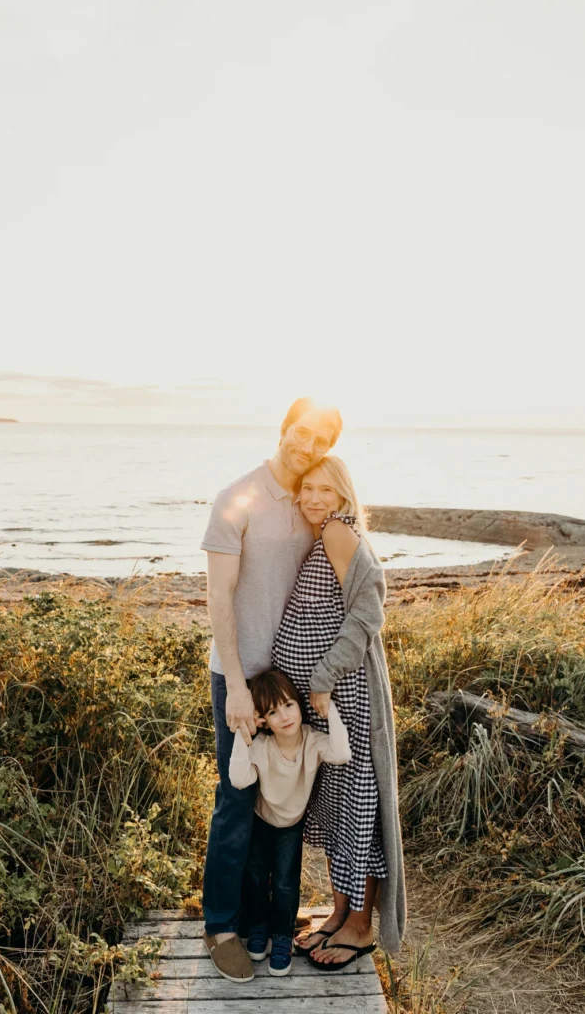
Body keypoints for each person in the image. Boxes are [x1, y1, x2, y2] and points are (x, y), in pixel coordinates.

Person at [200, 398, 343, 983]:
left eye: (318, 440)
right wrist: (235, 685)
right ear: (285, 429)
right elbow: (217, 597)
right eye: (300, 432)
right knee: (236, 801)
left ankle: (264, 920)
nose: (304, 445)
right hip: (242, 680)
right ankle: (222, 926)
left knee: (278, 806)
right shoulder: (236, 498)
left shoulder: (313, 505)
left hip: (290, 682)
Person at [272, 455, 407, 969]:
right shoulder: (326, 534)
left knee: (358, 811)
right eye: (307, 488)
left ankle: (359, 926)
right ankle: (338, 912)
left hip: (342, 697)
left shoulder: (337, 533)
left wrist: (323, 680)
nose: (313, 498)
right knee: (335, 812)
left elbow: (370, 610)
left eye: (325, 490)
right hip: (323, 704)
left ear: (343, 496)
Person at [229, 668, 351, 977]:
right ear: (263, 720)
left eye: (288, 705)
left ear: (299, 704)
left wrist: (331, 708)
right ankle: (258, 926)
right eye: (272, 711)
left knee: (285, 882)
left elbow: (341, 752)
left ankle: (282, 936)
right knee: (256, 876)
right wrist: (243, 734)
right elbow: (238, 778)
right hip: (262, 820)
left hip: (291, 826)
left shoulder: (312, 740)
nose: (283, 716)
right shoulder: (262, 746)